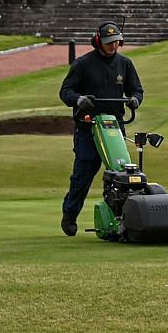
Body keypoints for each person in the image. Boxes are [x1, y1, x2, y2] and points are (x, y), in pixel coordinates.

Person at [57, 21, 142, 237]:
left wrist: (134, 100)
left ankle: (124, 220)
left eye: (115, 42)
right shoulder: (83, 64)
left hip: (115, 126)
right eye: (108, 43)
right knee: (83, 175)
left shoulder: (125, 64)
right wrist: (79, 100)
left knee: (121, 172)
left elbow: (137, 90)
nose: (113, 46)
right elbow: (66, 91)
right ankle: (70, 214)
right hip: (89, 125)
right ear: (98, 42)